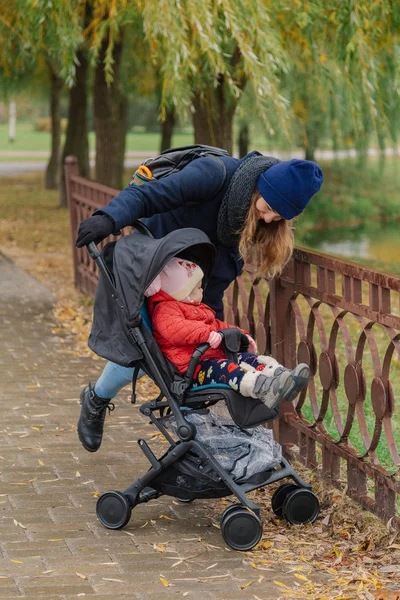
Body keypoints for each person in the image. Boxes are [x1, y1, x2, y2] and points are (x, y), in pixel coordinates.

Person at [76, 151, 323, 452]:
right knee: (142, 352)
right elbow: (149, 196)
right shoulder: (213, 174)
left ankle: (194, 454)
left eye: (280, 217)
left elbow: (213, 294)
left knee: (201, 360)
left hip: (203, 276)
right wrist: (109, 217)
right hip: (157, 269)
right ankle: (96, 398)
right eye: (269, 208)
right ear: (259, 187)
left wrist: (211, 340)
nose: (269, 219)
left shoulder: (253, 215)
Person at [145, 256, 310, 409]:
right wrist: (206, 333)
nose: (202, 291)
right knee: (227, 368)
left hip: (211, 357)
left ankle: (282, 377)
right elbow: (176, 329)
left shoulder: (196, 308)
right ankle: (264, 388)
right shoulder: (164, 310)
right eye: (198, 288)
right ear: (184, 293)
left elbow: (218, 325)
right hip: (193, 369)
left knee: (247, 359)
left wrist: (240, 334)